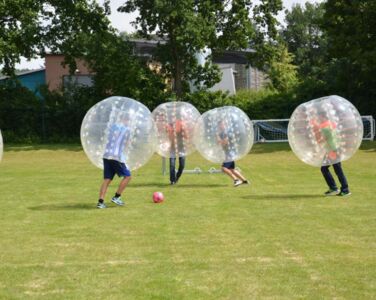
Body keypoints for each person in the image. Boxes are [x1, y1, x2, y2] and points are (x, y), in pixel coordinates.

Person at [311, 113, 351, 196]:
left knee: (337, 170)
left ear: (323, 118)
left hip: (333, 150)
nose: (318, 120)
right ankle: (333, 188)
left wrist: (315, 127)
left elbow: (320, 140)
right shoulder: (330, 124)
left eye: (319, 118)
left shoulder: (325, 128)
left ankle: (345, 189)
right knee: (324, 168)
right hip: (333, 149)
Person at [97, 115, 132, 208]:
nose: (129, 122)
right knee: (128, 176)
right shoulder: (127, 129)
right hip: (116, 157)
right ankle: (117, 197)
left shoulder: (112, 127)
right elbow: (127, 143)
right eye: (128, 119)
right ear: (124, 119)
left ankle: (100, 202)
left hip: (106, 155)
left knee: (107, 179)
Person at [217, 121, 249, 187]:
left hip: (230, 153)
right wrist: (218, 138)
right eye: (220, 125)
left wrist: (219, 140)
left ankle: (236, 180)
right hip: (228, 153)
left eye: (222, 125)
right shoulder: (221, 133)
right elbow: (219, 143)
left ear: (225, 125)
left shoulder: (227, 133)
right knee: (232, 169)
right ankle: (244, 181)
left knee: (224, 168)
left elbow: (225, 142)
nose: (221, 126)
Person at [167, 117, 186, 185]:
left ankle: (177, 177)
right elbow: (168, 137)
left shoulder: (181, 125)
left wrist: (183, 130)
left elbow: (186, 137)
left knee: (182, 165)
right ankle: (172, 180)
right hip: (172, 148)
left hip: (181, 147)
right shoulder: (169, 126)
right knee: (172, 165)